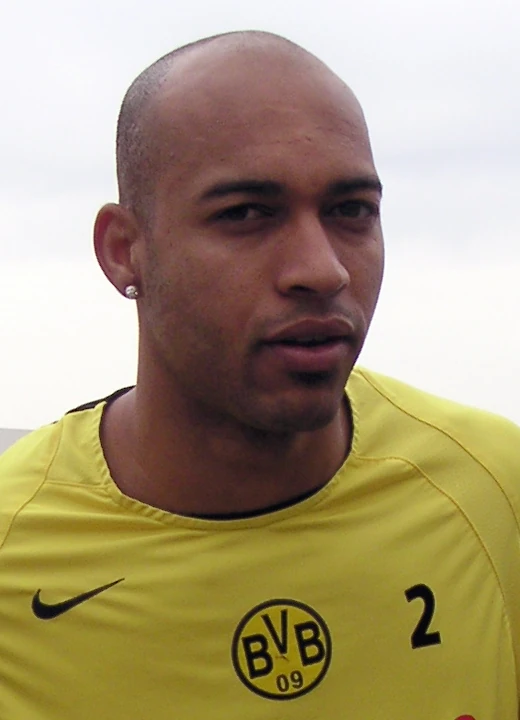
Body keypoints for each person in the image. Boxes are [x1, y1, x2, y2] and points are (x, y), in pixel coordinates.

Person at [0, 30, 519, 720]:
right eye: (246, 214)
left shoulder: (494, 493)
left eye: (351, 211)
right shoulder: (16, 551)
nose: (322, 269)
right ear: (124, 251)